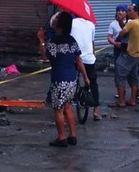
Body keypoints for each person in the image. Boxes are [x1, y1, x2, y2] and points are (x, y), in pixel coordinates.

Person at [44, 11, 90, 147]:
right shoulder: (71, 40)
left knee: (58, 109)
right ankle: (72, 135)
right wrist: (86, 77)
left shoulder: (53, 42)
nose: (54, 19)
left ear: (59, 24)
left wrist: (41, 40)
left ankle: (62, 137)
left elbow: (46, 57)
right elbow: (79, 60)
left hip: (59, 79)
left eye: (57, 18)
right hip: (72, 78)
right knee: (68, 106)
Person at [111, 3, 139, 107]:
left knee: (120, 76)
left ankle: (121, 101)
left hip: (128, 53)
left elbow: (122, 33)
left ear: (136, 12)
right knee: (133, 78)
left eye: (130, 10)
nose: (127, 12)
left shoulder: (132, 23)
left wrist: (117, 40)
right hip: (136, 54)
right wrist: (121, 21)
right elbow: (125, 28)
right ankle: (132, 99)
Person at [71, 16, 103, 121]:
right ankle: (96, 110)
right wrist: (93, 56)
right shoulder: (91, 24)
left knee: (70, 79)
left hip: (74, 58)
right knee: (92, 82)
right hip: (89, 59)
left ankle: (66, 106)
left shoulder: (71, 23)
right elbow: (91, 43)